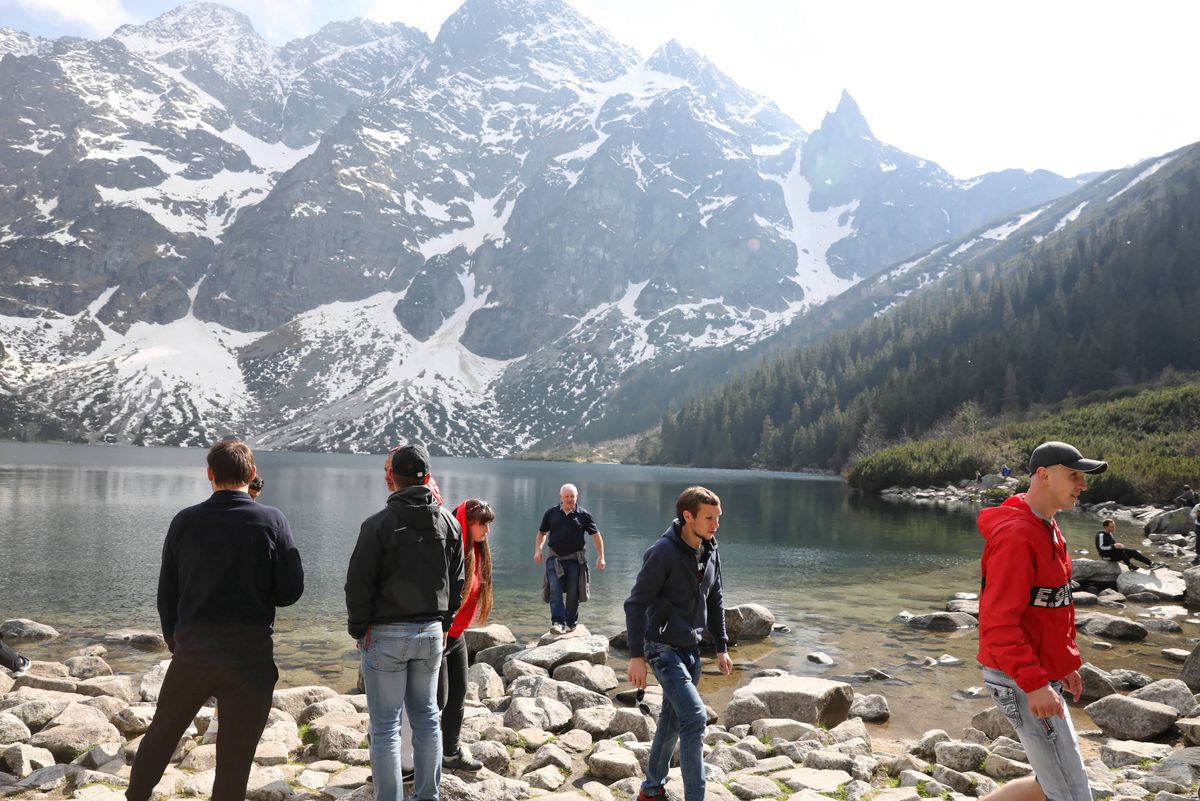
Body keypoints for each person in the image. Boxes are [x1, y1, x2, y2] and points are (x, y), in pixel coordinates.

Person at [126, 439, 304, 801]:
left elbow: (167, 595)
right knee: (236, 756)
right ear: (252, 475)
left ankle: (137, 796)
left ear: (210, 474)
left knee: (162, 734)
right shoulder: (272, 521)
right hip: (250, 656)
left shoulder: (184, 521)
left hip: (194, 651)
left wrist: (178, 642)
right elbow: (290, 592)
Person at [976, 441, 1104, 801]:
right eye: (1074, 475)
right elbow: (998, 624)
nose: (1082, 484)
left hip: (1037, 672)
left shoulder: (1047, 527)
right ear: (1044, 476)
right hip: (1018, 677)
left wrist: (1063, 663)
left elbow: (1051, 608)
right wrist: (1034, 684)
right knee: (1072, 793)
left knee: (1049, 786)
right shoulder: (1017, 535)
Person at [345, 444, 464, 801]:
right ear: (427, 477)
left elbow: (357, 585)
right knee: (428, 719)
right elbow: (457, 581)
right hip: (430, 634)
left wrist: (358, 629)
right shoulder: (449, 522)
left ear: (391, 479)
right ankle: (428, 796)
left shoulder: (377, 525)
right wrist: (444, 624)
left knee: (385, 728)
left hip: (385, 635)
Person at [625, 486, 733, 801]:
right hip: (661, 648)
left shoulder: (711, 549)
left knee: (672, 721)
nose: (715, 525)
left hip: (691, 649)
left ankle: (651, 790)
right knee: (696, 718)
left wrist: (722, 647)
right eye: (709, 518)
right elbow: (635, 605)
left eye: (718, 518)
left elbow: (716, 599)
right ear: (688, 516)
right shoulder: (662, 553)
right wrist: (635, 657)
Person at [439, 499, 496, 772]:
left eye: (488, 523)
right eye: (482, 523)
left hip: (456, 635)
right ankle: (411, 756)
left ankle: (450, 753)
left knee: (457, 695)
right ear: (467, 523)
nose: (487, 529)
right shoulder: (450, 551)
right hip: (438, 635)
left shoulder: (479, 552)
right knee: (435, 699)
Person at [534, 483, 605, 633]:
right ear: (561, 497)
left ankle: (571, 622)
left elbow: (596, 536)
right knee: (555, 589)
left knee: (574, 592)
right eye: (566, 496)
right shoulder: (551, 513)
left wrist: (601, 556)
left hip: (575, 560)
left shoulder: (583, 515)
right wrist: (538, 550)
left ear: (577, 497)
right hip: (555, 559)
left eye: (572, 496)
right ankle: (558, 623)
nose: (569, 499)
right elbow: (542, 533)